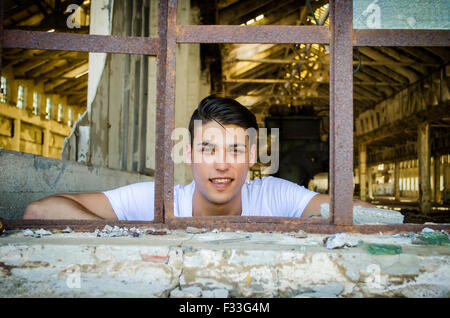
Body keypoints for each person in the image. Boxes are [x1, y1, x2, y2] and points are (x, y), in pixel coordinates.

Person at [23, 95, 374, 220]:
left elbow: (363, 213)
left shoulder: (274, 196)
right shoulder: (154, 203)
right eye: (208, 149)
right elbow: (40, 211)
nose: (222, 164)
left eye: (235, 149)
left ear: (252, 155)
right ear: (188, 153)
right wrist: (126, 237)